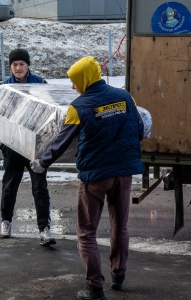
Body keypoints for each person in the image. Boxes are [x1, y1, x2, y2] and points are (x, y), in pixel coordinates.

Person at [30, 56, 145, 299]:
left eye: (74, 80)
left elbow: (60, 142)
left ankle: (94, 287)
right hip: (124, 173)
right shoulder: (126, 98)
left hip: (95, 176)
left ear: (84, 78)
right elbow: (140, 128)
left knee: (86, 231)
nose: (73, 86)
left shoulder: (78, 107)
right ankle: (119, 275)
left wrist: (42, 163)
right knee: (120, 226)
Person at [0, 48, 56, 246]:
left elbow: (51, 112)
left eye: (21, 64)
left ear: (28, 65)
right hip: (13, 144)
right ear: (10, 67)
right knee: (9, 186)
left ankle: (44, 228)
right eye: (14, 65)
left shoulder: (40, 84)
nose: (18, 68)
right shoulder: (4, 86)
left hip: (36, 146)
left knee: (40, 187)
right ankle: (5, 221)